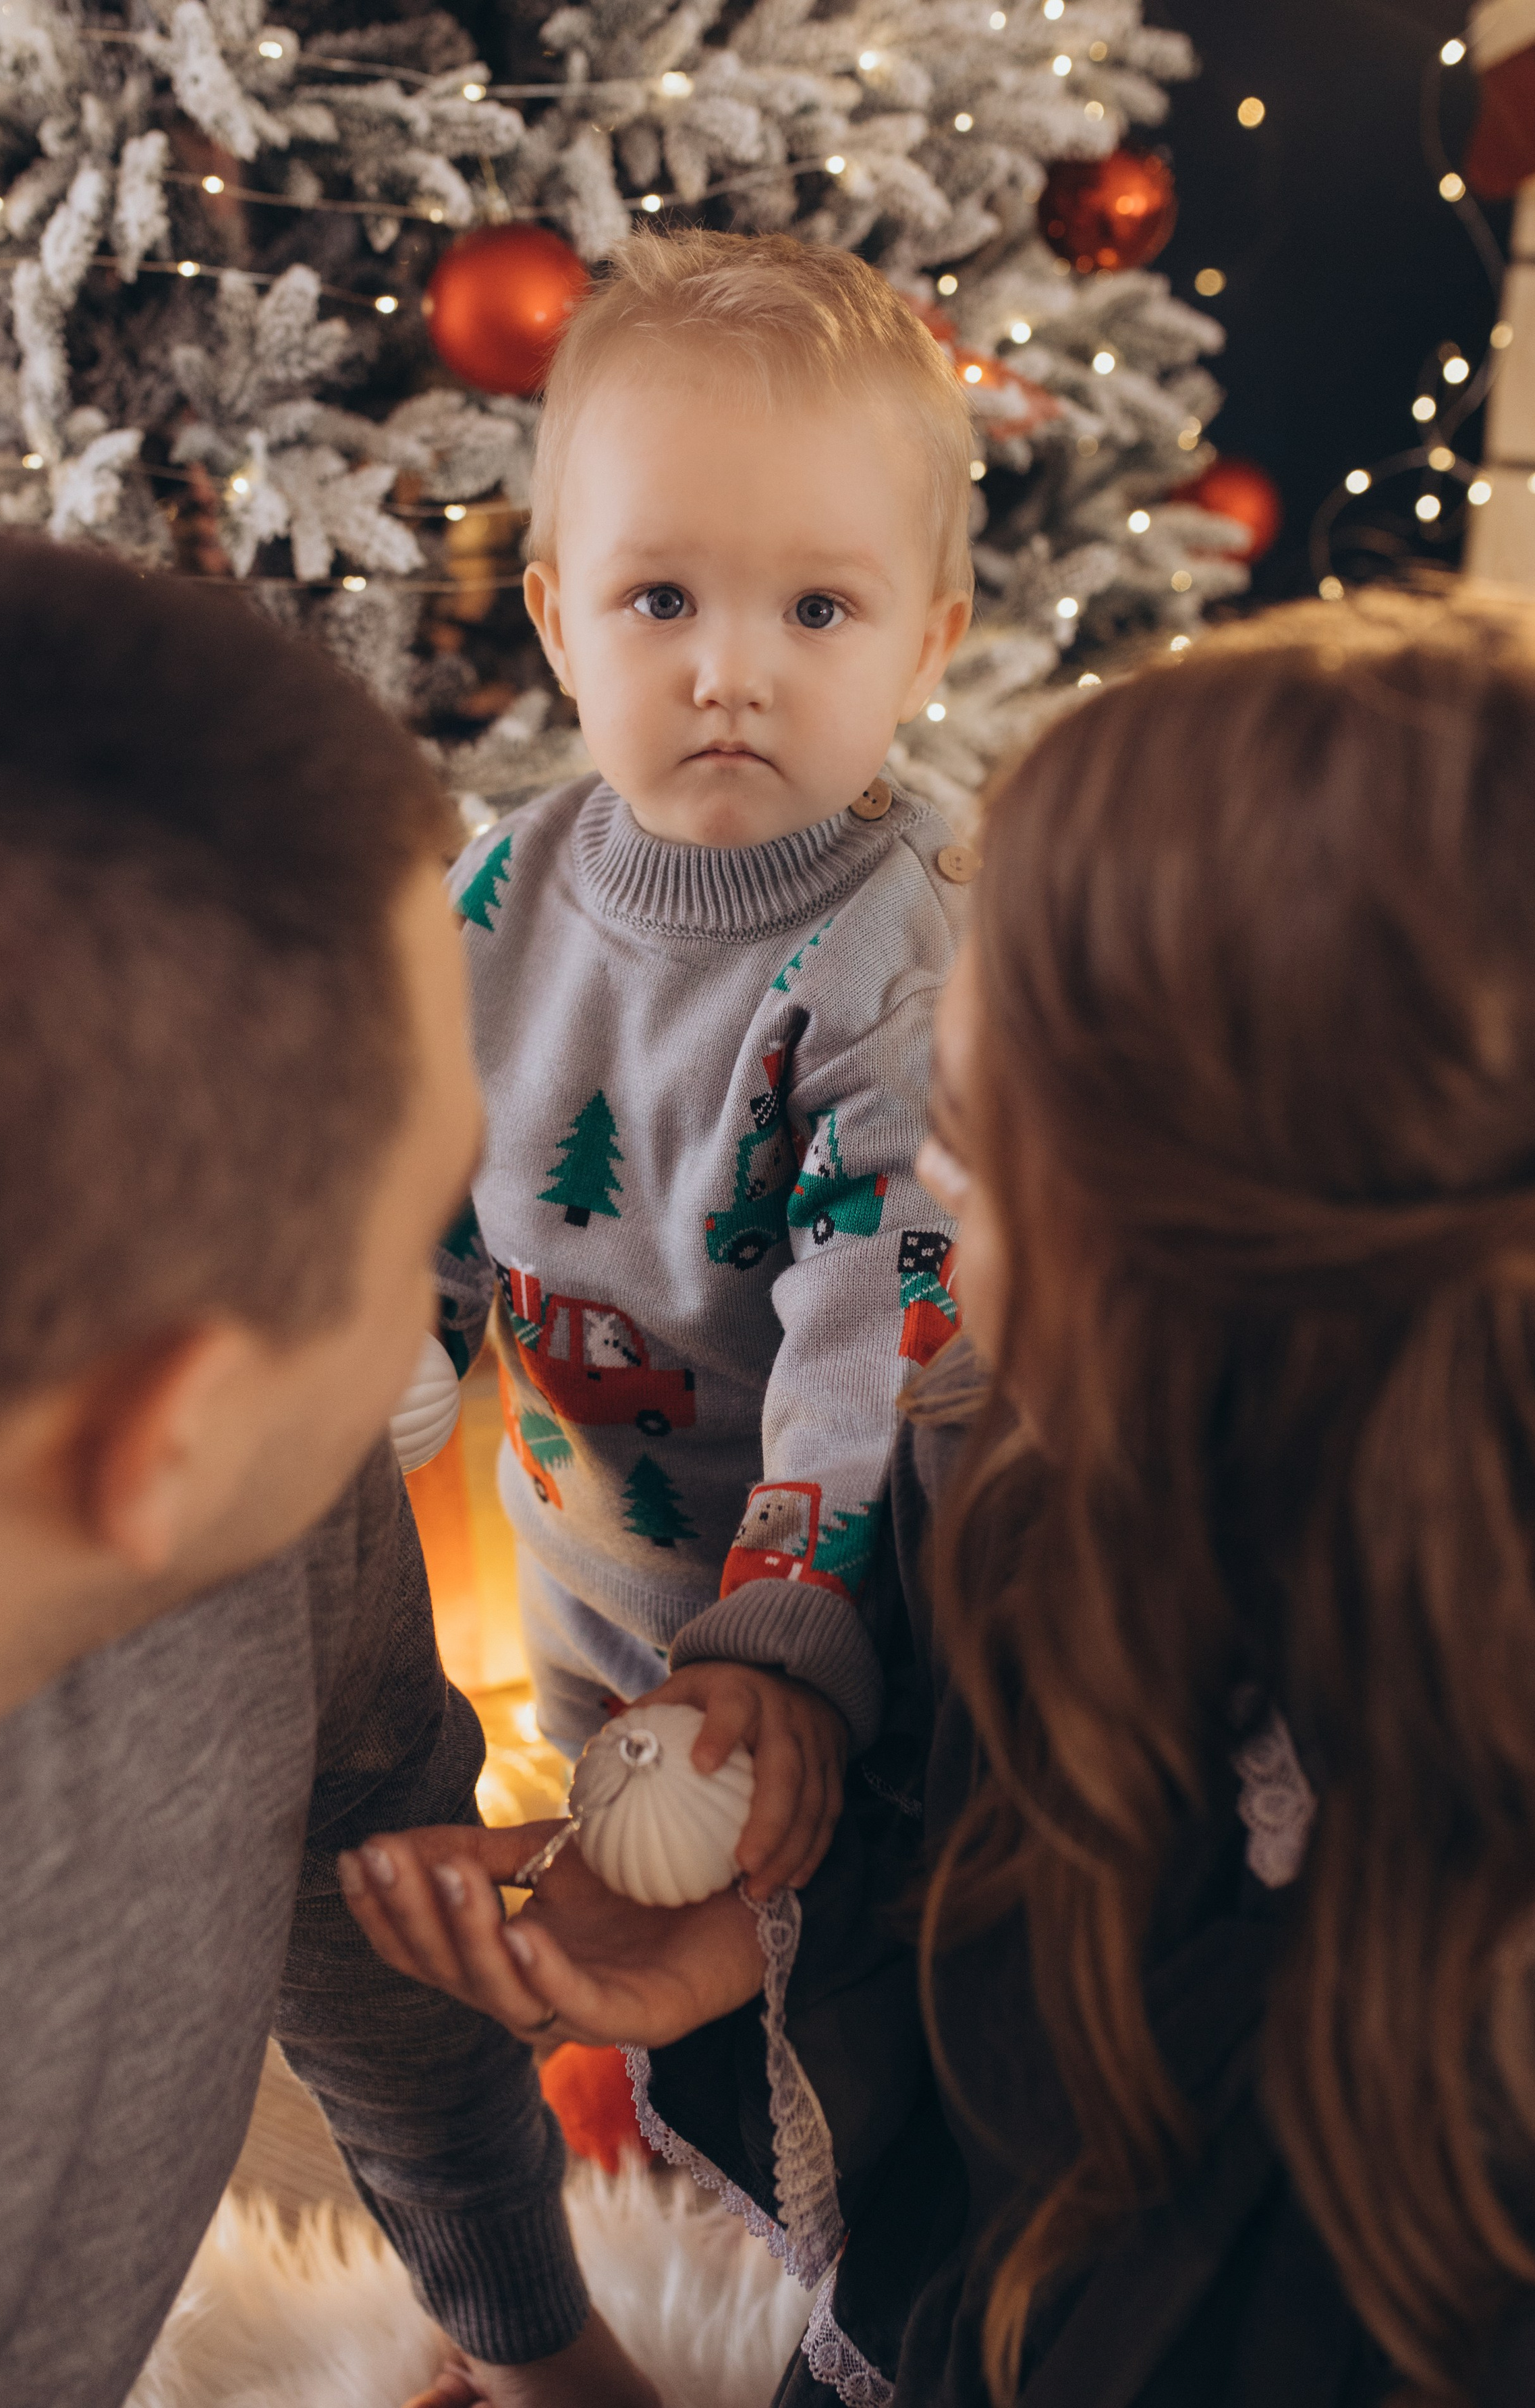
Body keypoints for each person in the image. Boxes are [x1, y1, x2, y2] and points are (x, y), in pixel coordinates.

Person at [345, 592, 1535, 2405]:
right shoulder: (1043, 1504)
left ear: (1220, 1254)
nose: (919, 1241)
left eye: (968, 1153)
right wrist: (751, 1931)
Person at [0, 536, 654, 2408]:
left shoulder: (275, 1532)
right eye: (414, 1234)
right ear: (165, 1441)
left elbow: (366, 1849)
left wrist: (539, 2339)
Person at [437, 229, 976, 1899]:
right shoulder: (496, 894)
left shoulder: (901, 964)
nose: (726, 670)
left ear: (926, 644)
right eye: (657, 598)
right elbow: (408, 1174)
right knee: (625, 1910)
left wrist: (781, 1642)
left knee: (820, 1987)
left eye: (816, 607)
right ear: (554, 619)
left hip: (840, 1632)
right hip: (586, 1576)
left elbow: (873, 1342)